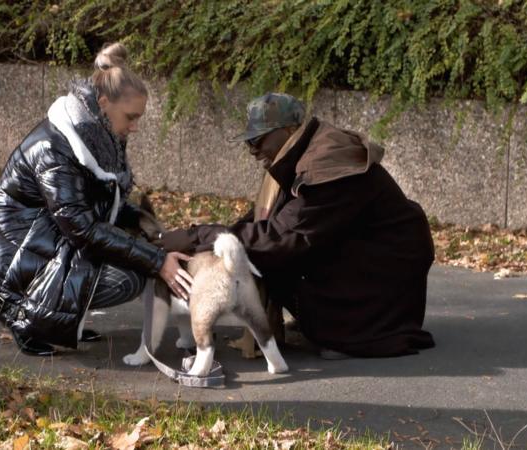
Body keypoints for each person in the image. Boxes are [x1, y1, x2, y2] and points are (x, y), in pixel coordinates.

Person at [158, 93, 435, 359]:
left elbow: (281, 237)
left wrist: (197, 236)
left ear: (290, 129)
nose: (253, 150)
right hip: (371, 261)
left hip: (384, 276)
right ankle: (332, 327)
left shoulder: (326, 166)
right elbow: (259, 223)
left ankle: (351, 336)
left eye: (259, 139)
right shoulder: (304, 153)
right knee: (263, 256)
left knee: (274, 255)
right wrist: (199, 240)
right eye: (248, 142)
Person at [0, 43, 193, 356]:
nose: (135, 127)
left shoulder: (97, 134)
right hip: (12, 266)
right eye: (131, 117)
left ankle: (65, 318)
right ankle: (27, 319)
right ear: (103, 102)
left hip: (47, 249)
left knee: (130, 262)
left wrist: (148, 226)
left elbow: (102, 206)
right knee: (130, 278)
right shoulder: (55, 148)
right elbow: (82, 228)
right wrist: (157, 261)